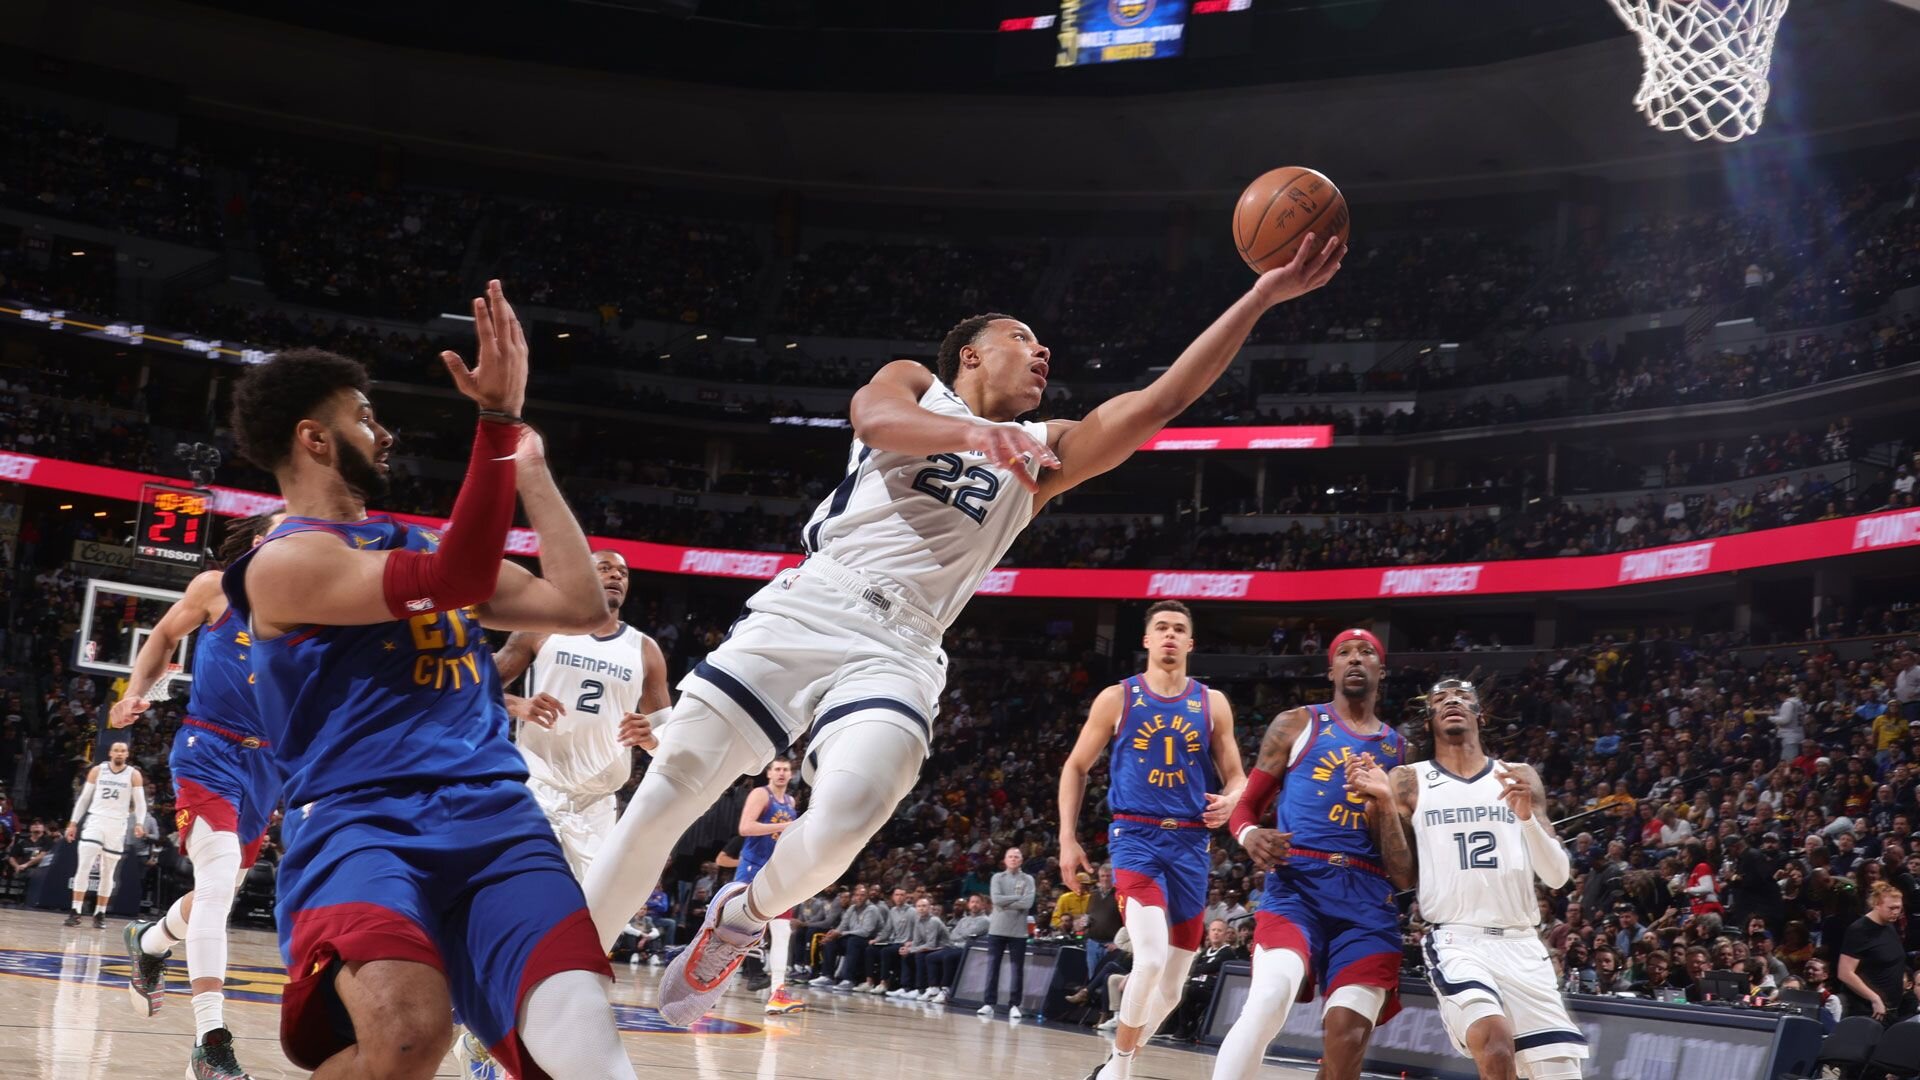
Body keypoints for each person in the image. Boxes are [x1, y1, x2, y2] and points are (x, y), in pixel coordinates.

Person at [579, 239, 1346, 1026]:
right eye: (1022, 338)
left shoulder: (1048, 451)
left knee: (851, 813)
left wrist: (1260, 299)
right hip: (814, 602)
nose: (1042, 351)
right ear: (970, 354)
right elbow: (871, 416)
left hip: (905, 646)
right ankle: (548, 1000)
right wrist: (975, 437)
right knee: (668, 792)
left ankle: (742, 917)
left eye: (1044, 345)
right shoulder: (917, 385)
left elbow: (1157, 404)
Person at [222, 282, 635, 1080]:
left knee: (585, 1047)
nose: (383, 431)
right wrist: (496, 423)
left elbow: (579, 606)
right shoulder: (284, 563)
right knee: (411, 1034)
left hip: (497, 818)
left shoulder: (411, 543)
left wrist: (532, 469)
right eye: (363, 417)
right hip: (360, 822)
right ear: (313, 439)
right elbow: (458, 573)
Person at [111, 512, 282, 1080]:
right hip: (208, 749)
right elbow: (162, 635)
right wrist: (138, 692)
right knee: (217, 884)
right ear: (261, 542)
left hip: (268, 765)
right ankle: (210, 1040)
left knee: (219, 894)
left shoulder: (315, 610)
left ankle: (150, 939)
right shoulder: (216, 587)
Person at [1350, 678, 1588, 1080]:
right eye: (1440, 699)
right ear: (1429, 722)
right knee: (1495, 1043)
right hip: (1458, 940)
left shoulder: (1518, 775)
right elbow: (1404, 875)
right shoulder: (1409, 779)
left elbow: (1558, 876)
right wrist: (1385, 806)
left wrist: (1527, 818)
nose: (1452, 702)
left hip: (1524, 946)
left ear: (1480, 714)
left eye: (1462, 697)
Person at [1059, 600, 1246, 1080]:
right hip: (1135, 838)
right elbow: (1076, 766)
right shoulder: (1118, 697)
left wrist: (1230, 800)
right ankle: (1120, 1069)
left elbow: (1238, 778)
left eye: (1178, 629)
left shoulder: (1212, 703)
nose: (1168, 635)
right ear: (1146, 640)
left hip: (1190, 847)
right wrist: (1067, 838)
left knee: (1174, 986)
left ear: (1189, 643)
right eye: (1160, 627)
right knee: (1151, 957)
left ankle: (1115, 1063)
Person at [1215, 630, 1407, 1080]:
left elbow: (1401, 854)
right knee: (1266, 1002)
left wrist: (1382, 805)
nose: (1355, 659)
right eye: (1344, 653)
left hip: (1366, 899)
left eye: (1367, 653)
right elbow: (1244, 806)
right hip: (1296, 885)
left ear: (1381, 670)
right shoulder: (1297, 724)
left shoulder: (1400, 751)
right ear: (1331, 670)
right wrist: (1248, 835)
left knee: (1347, 1043)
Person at [489, 550, 668, 880]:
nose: (616, 576)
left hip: (596, 805)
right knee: (523, 889)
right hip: (537, 789)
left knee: (583, 913)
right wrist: (519, 706)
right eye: (605, 569)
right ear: (582, 576)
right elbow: (475, 690)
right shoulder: (540, 629)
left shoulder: (644, 649)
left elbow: (669, 742)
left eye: (623, 572)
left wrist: (651, 738)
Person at [732, 759, 804, 1014]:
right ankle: (704, 987)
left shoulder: (792, 802)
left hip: (777, 872)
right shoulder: (761, 794)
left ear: (791, 774)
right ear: (769, 773)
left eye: (786, 770)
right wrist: (786, 827)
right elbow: (745, 827)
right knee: (734, 932)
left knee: (782, 931)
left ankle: (777, 992)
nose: (782, 773)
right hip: (753, 869)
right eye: (778, 769)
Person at [64, 741, 146, 929]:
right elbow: (84, 798)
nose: (119, 753)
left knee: (108, 872)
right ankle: (75, 911)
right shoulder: (97, 770)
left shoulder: (134, 775)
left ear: (127, 754)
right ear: (110, 752)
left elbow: (140, 803)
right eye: (116, 750)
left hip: (117, 825)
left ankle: (100, 913)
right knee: (83, 867)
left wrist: (140, 822)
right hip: (96, 820)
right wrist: (73, 822)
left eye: (123, 751)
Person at [1838, 881, 1912, 1023]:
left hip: (1890, 1010)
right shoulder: (1859, 930)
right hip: (1868, 1011)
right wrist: (1874, 998)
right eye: (1891, 908)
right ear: (1876, 904)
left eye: (1899, 908)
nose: (1896, 912)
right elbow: (1845, 973)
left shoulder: (1889, 926)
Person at [979, 846, 1036, 1019]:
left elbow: (1028, 903)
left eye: (1016, 856)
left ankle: (1014, 1005)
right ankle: (989, 1003)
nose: (1013, 859)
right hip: (997, 929)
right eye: (1010, 856)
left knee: (1017, 970)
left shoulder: (1028, 879)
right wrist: (1017, 898)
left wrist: (1005, 902)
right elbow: (995, 900)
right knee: (992, 967)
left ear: (1021, 860)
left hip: (1018, 932)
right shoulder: (997, 877)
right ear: (1005, 860)